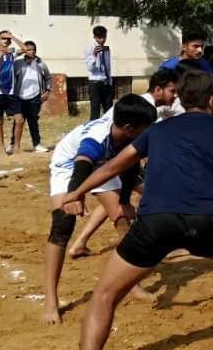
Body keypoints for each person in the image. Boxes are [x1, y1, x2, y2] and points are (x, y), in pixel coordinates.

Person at [61, 71, 213, 350]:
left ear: (180, 97)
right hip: (207, 220)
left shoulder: (157, 130)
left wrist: (77, 192)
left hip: (156, 222)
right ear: (212, 100)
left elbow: (113, 166)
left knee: (104, 295)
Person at [44, 94, 157, 325]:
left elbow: (129, 167)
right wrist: (75, 195)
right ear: (129, 128)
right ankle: (50, 300)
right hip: (70, 164)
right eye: (146, 128)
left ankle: (132, 284)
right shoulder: (97, 138)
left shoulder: (130, 137)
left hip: (102, 165)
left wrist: (124, 200)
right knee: (62, 225)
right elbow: (82, 162)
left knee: (123, 220)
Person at [67, 69, 182, 259]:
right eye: (173, 91)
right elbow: (88, 156)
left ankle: (81, 243)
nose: (176, 96)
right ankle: (142, 255)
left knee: (117, 199)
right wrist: (75, 193)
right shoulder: (141, 109)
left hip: (111, 157)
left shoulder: (145, 106)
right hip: (100, 158)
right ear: (158, 90)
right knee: (139, 204)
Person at [12, 40, 52, 153]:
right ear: (24, 51)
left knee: (33, 121)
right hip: (19, 97)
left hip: (35, 97)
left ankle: (37, 144)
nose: (32, 51)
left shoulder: (40, 63)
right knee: (18, 122)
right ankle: (13, 144)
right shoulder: (17, 63)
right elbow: (8, 65)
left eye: (34, 49)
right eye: (29, 49)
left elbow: (48, 77)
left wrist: (47, 90)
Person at [0, 29, 22, 156]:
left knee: (19, 120)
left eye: (7, 39)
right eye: (3, 38)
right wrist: (0, 58)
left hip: (12, 92)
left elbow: (25, 49)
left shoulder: (12, 54)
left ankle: (17, 146)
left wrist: (13, 37)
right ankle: (1, 147)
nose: (6, 41)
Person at [84, 26, 115, 120]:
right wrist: (94, 55)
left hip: (106, 82)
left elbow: (107, 66)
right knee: (95, 110)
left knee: (109, 110)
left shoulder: (106, 48)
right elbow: (90, 68)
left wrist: (110, 81)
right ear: (95, 37)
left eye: (104, 37)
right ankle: (94, 127)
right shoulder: (89, 48)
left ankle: (108, 127)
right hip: (95, 83)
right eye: (100, 37)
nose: (103, 40)